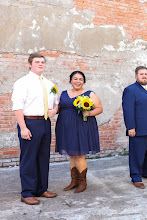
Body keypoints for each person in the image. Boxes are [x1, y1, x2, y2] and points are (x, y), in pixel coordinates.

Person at [11, 52, 58, 205]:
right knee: (29, 158)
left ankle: (41, 188)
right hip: (29, 123)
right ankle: (27, 192)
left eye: (43, 62)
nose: (40, 64)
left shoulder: (50, 84)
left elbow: (56, 102)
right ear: (30, 64)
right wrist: (23, 128)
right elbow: (17, 107)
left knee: (43, 157)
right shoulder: (22, 82)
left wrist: (54, 110)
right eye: (37, 62)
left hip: (45, 123)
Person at [55, 71, 103, 193]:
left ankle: (82, 182)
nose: (78, 81)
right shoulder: (63, 93)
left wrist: (89, 113)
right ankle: (74, 181)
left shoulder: (90, 94)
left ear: (84, 81)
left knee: (80, 155)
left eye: (80, 79)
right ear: (71, 80)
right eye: (75, 79)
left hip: (82, 127)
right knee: (72, 155)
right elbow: (58, 109)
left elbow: (99, 108)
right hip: (66, 128)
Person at [122, 66, 147, 189]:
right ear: (136, 76)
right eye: (141, 74)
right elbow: (128, 110)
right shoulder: (130, 90)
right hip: (138, 129)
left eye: (145, 74)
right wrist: (131, 127)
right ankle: (136, 177)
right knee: (137, 154)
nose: (144, 76)